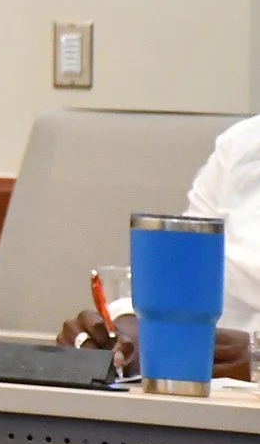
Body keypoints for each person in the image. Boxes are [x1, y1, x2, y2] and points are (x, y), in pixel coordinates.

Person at [56, 113, 258, 381]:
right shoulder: (241, 147)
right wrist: (129, 330)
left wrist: (255, 363)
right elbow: (185, 276)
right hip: (191, 401)